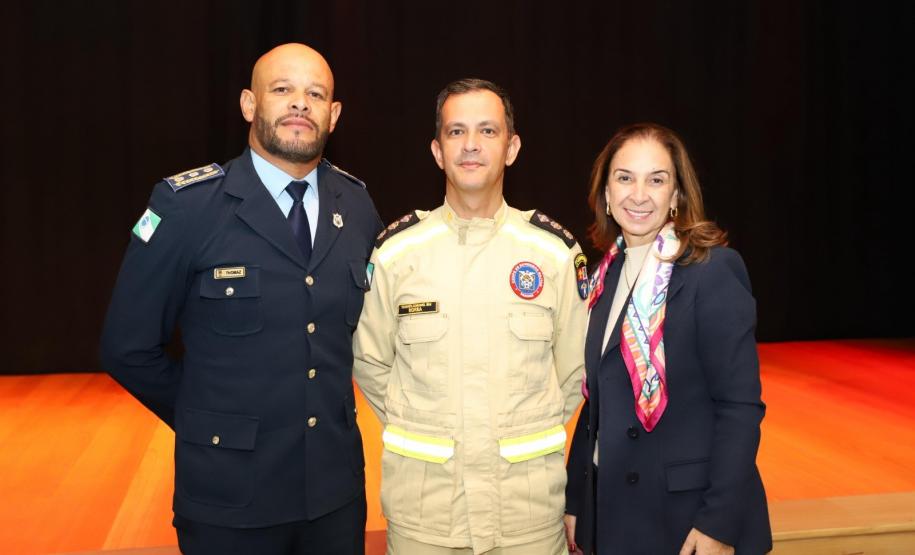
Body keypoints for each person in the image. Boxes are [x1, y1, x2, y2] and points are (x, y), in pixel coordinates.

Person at [99, 43, 382, 555]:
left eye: (315, 94)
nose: (300, 103)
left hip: (334, 497)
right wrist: (208, 423)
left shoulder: (358, 206)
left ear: (334, 114)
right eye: (282, 89)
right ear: (250, 105)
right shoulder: (188, 207)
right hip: (229, 499)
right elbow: (127, 348)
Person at [352, 79, 589, 555]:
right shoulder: (397, 253)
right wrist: (425, 424)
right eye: (456, 132)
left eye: (488, 130)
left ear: (512, 148)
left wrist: (521, 432)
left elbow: (574, 374)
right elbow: (371, 363)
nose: (472, 145)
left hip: (526, 516)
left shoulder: (554, 254)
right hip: (426, 516)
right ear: (438, 151)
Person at [563, 123, 772, 555]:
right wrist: (577, 498)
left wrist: (718, 524)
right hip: (615, 511)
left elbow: (739, 408)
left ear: (676, 194)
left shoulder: (711, 271)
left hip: (686, 519)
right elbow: (597, 403)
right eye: (625, 178)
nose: (639, 195)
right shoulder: (604, 276)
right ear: (606, 193)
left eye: (656, 180)